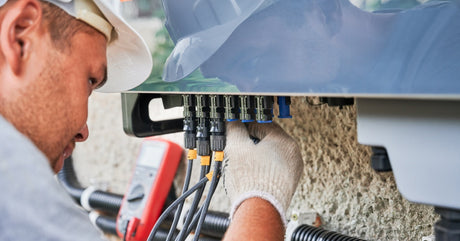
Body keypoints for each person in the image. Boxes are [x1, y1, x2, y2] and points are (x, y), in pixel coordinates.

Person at [0, 0, 304, 240]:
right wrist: (261, 199)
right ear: (20, 33)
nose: (84, 130)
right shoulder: (11, 180)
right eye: (89, 79)